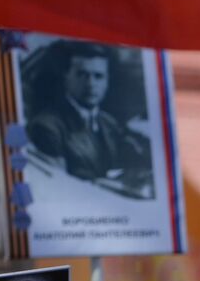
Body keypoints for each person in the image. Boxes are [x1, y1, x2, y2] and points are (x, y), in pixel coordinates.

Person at [26, 41, 153, 190]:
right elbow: (58, 186)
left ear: (107, 82)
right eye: (82, 74)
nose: (91, 84)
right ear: (66, 77)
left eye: (98, 76)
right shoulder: (46, 127)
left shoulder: (108, 123)